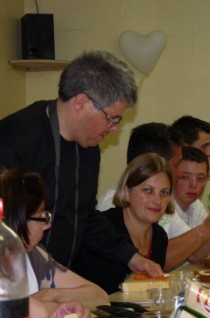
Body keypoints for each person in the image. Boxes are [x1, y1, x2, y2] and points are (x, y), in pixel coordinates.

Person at [0, 50, 163, 278]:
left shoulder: (88, 147)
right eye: (112, 118)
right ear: (81, 103)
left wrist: (131, 257)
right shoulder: (16, 140)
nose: (115, 128)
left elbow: (84, 216)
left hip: (56, 275)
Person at [96, 123, 210, 271]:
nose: (180, 173)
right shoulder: (109, 212)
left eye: (163, 193)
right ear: (155, 162)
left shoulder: (158, 229)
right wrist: (207, 228)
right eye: (177, 165)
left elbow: (194, 252)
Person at [0, 166, 109, 315]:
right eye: (42, 216)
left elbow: (100, 297)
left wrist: (54, 295)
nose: (48, 225)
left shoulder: (33, 253)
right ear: (19, 221)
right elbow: (38, 312)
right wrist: (58, 305)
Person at [73, 154, 172, 294]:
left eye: (164, 192)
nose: (157, 200)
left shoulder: (159, 236)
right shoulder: (101, 230)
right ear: (126, 192)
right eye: (148, 190)